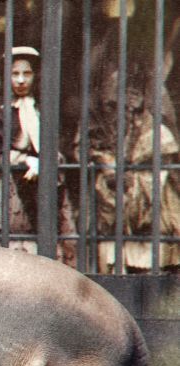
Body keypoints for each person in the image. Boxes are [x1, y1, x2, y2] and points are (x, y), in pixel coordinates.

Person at [77, 0, 180, 273]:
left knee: (153, 252)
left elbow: (163, 132)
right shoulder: (98, 97)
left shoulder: (149, 89)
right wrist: (106, 161)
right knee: (110, 254)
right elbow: (85, 138)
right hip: (109, 189)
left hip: (150, 184)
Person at [0, 46, 77, 265]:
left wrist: (46, 161)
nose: (21, 80)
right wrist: (24, 160)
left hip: (45, 183)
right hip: (9, 184)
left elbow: (62, 145)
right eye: (15, 74)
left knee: (48, 242)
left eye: (26, 74)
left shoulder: (45, 106)